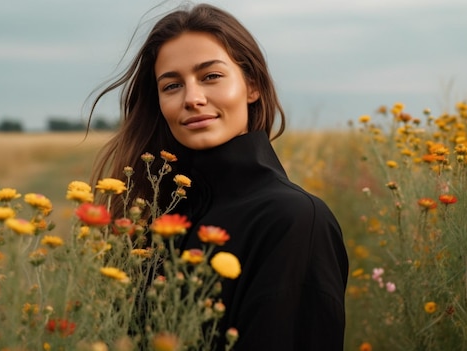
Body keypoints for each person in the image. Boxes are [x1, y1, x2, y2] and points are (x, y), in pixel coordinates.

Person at [87, 3, 348, 350]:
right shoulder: (159, 219)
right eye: (172, 86)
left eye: (210, 77)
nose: (192, 99)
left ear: (251, 86)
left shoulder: (295, 221)